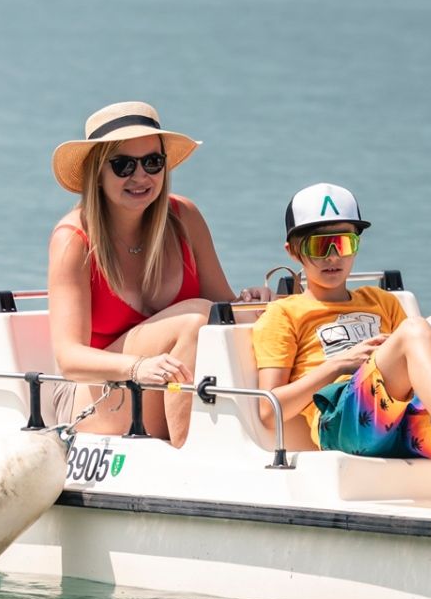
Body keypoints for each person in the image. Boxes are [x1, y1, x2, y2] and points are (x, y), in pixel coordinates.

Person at [46, 101, 268, 447]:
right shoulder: (73, 240)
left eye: (153, 162)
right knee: (195, 319)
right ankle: (188, 455)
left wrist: (253, 302)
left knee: (219, 317)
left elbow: (224, 309)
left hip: (159, 390)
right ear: (97, 173)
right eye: (123, 165)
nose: (140, 177)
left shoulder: (185, 218)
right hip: (89, 397)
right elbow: (69, 359)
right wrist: (138, 368)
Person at [252, 183, 431, 468]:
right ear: (293, 252)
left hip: (400, 418)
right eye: (319, 246)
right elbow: (268, 409)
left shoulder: (382, 301)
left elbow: (418, 368)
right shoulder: (283, 313)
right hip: (342, 423)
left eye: (343, 243)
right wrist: (338, 365)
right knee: (415, 330)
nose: (333, 256)